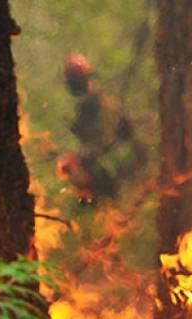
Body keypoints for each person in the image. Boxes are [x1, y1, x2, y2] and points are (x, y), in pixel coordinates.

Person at [56, 53, 147, 205]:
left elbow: (102, 141)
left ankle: (95, 206)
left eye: (72, 80)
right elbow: (127, 130)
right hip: (123, 163)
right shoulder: (107, 98)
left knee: (71, 167)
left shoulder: (91, 105)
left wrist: (78, 160)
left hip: (112, 167)